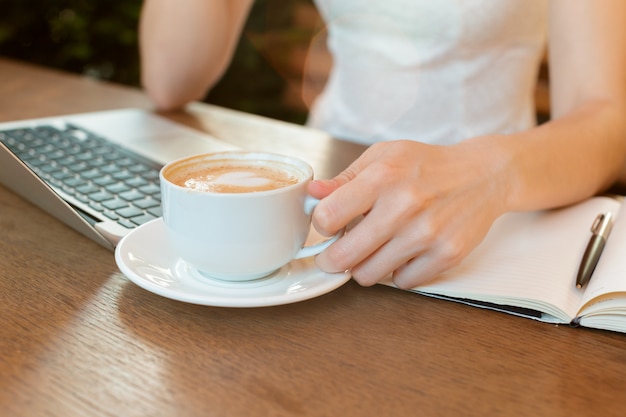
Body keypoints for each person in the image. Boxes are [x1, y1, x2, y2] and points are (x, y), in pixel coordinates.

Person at [139, 0, 626, 289]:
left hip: (489, 226)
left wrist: (493, 172)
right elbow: (169, 78)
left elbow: (606, 117)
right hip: (322, 210)